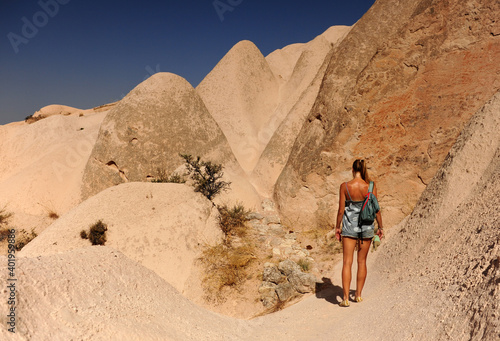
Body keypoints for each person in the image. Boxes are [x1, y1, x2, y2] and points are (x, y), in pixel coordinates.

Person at [334, 159, 383, 307]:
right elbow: (376, 209)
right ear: (363, 169)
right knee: (362, 262)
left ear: (352, 169)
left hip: (349, 228)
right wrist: (380, 227)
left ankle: (345, 298)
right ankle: (359, 295)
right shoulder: (370, 186)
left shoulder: (345, 187)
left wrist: (337, 227)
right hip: (366, 228)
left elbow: (341, 210)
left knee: (347, 263)